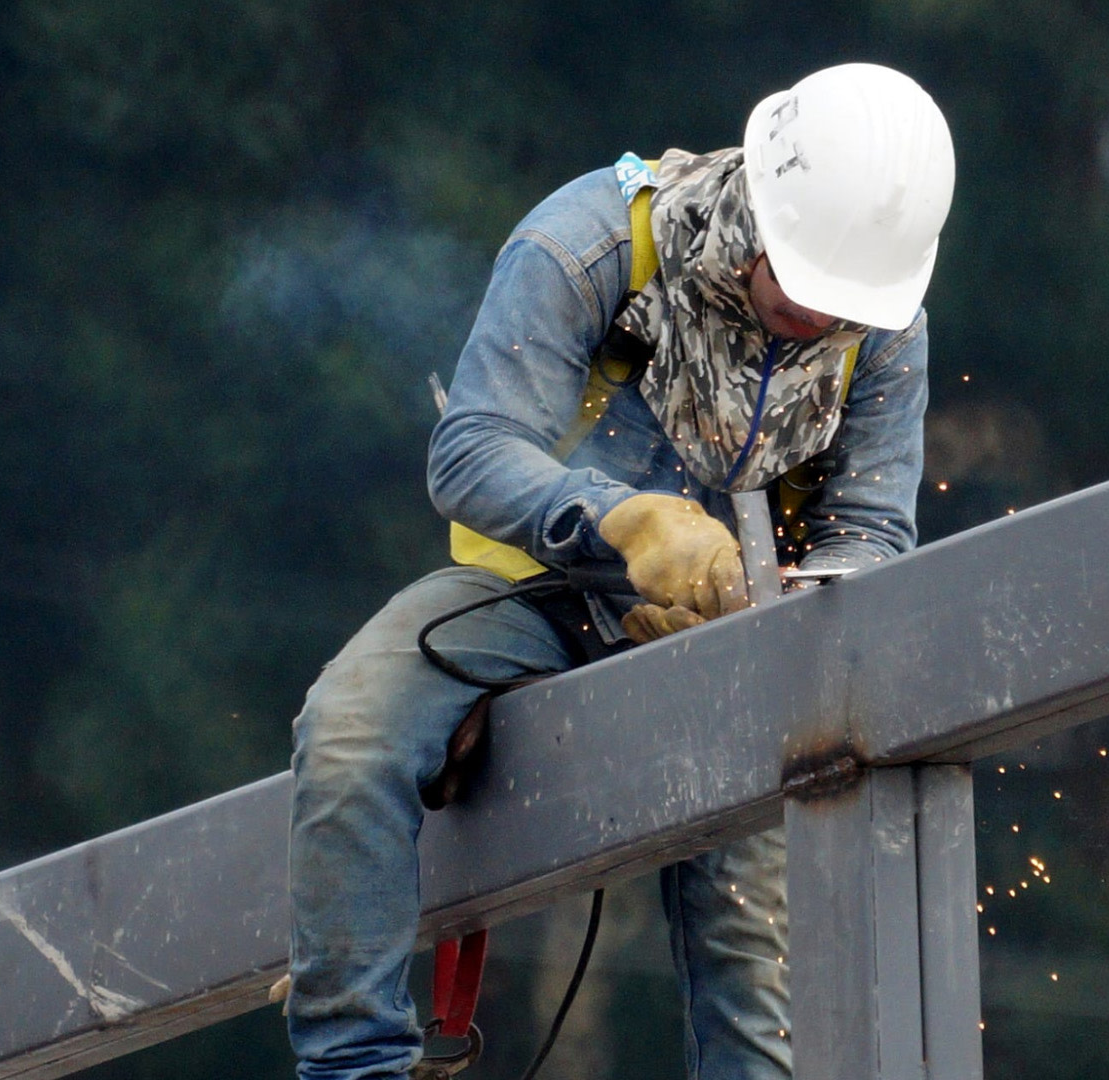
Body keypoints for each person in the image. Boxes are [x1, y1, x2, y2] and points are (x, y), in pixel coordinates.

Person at [284, 62, 955, 1080]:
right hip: (530, 600)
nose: (820, 320)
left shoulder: (885, 328)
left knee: (752, 967)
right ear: (761, 208)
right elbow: (471, 450)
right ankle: (351, 1067)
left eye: (843, 305)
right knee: (346, 735)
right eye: (803, 287)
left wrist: (770, 619)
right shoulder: (594, 239)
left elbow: (870, 537)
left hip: (730, 660)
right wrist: (624, 523)